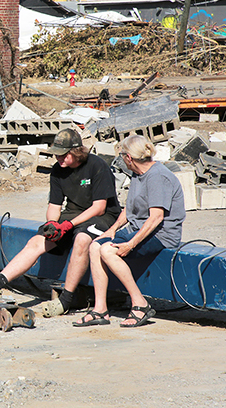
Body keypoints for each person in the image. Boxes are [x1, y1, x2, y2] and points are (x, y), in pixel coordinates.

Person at [0, 128, 121, 317]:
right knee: (37, 241)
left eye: (64, 155)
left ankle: (65, 300)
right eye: (57, 155)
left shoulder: (97, 166)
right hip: (73, 213)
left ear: (76, 151)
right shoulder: (57, 170)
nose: (59, 159)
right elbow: (54, 206)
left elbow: (99, 207)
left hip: (102, 216)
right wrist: (53, 225)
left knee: (81, 239)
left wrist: (69, 226)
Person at [74, 135, 185, 328]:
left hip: (161, 234)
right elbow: (129, 209)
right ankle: (100, 309)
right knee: (95, 246)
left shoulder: (158, 177)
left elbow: (156, 218)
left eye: (122, 155)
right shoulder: (137, 174)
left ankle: (140, 304)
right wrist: (112, 230)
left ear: (129, 158)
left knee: (108, 251)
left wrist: (131, 244)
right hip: (137, 228)